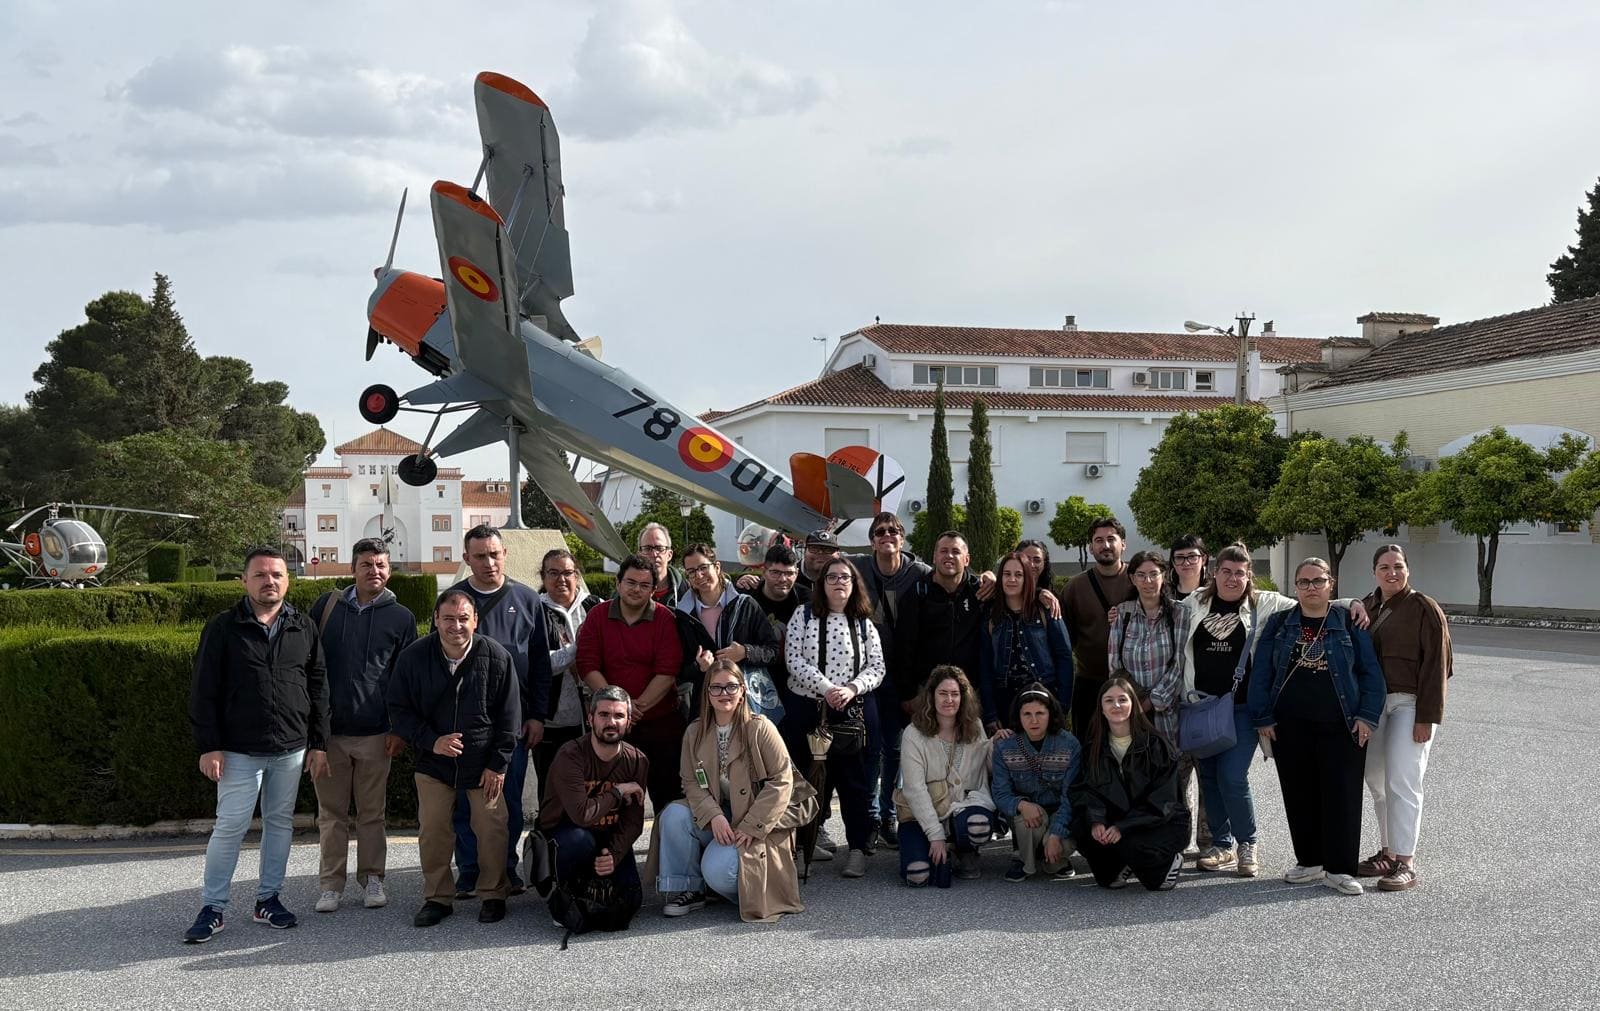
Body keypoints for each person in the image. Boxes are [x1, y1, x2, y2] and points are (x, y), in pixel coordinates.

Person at [1181, 542, 1369, 877]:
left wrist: (1352, 602)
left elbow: (1310, 600)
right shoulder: (1194, 603)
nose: (1233, 578)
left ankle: (1247, 842)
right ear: (1215, 573)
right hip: (1200, 707)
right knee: (1209, 775)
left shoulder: (1264, 603)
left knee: (1232, 775)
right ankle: (1222, 845)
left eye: (1240, 573)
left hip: (1239, 708)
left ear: (1249, 575)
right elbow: (1157, 609)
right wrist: (1120, 611)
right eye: (1226, 571)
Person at [184, 547, 330, 943]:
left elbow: (317, 687)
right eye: (261, 575)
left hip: (291, 748)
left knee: (279, 824)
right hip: (237, 750)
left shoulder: (303, 626)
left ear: (288, 580)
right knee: (230, 827)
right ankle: (213, 907)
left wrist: (319, 743)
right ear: (245, 581)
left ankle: (268, 899)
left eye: (278, 575)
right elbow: (204, 690)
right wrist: (209, 745)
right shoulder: (223, 627)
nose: (270, 582)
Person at [1249, 558, 1386, 896]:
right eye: (1304, 582)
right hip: (1290, 725)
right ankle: (1309, 861)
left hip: (1342, 724)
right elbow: (1261, 673)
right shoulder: (1280, 624)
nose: (1311, 587)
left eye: (1318, 581)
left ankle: (1339, 869)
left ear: (1331, 584)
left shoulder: (1349, 622)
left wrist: (1367, 716)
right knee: (1299, 794)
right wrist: (1263, 716)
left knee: (1342, 796)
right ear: (1295, 587)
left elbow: (1371, 673)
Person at [388, 589, 519, 927]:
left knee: (491, 828)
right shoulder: (413, 657)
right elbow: (399, 710)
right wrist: (432, 741)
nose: (456, 626)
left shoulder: (497, 656)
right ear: (435, 620)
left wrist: (498, 764)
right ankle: (437, 897)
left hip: (484, 763)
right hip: (433, 763)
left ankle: (492, 893)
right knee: (433, 831)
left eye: (463, 619)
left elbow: (510, 717)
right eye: (448, 619)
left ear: (475, 621)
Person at [310, 537, 418, 914]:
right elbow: (308, 669)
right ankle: (331, 885)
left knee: (373, 814)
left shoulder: (401, 617)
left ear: (389, 570)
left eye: (381, 565)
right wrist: (314, 736)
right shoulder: (326, 607)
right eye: (367, 564)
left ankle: (373, 879)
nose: (375, 571)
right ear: (353, 568)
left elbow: (407, 679)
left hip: (377, 733)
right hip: (331, 734)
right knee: (331, 815)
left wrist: (399, 729)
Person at [446, 524, 553, 900]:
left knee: (506, 802)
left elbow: (540, 663)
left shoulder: (527, 600)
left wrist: (538, 715)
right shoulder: (452, 601)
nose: (488, 562)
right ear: (466, 559)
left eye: (494, 554)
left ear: (505, 553)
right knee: (465, 803)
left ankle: (506, 869)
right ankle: (470, 871)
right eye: (479, 556)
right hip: (464, 726)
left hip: (514, 725)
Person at [651, 660, 803, 922]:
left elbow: (782, 780)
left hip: (756, 819)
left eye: (731, 686)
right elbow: (690, 781)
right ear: (707, 693)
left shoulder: (760, 727)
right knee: (673, 814)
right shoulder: (694, 732)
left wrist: (751, 825)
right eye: (717, 688)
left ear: (743, 690)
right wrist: (714, 815)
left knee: (720, 872)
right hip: (721, 817)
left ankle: (723, 883)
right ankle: (690, 889)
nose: (724, 694)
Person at [1357, 544, 1451, 892]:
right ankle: (1386, 851)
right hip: (1374, 705)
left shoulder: (1423, 608)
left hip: (1409, 703)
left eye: (1398, 566)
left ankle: (1405, 861)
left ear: (1408, 569)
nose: (1391, 573)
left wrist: (1427, 716)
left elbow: (1438, 666)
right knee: (1376, 780)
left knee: (1404, 780)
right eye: (1384, 567)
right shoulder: (1367, 605)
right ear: (1374, 571)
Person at [786, 556, 886, 879]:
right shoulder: (802, 616)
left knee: (853, 781)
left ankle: (856, 848)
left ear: (854, 584)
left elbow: (877, 667)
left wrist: (853, 688)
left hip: (848, 711)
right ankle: (803, 846)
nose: (839, 582)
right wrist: (828, 688)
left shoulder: (863, 623)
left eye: (845, 577)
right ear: (822, 583)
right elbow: (793, 658)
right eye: (832, 577)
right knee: (807, 780)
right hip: (808, 709)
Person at [845, 512, 931, 850]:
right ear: (871, 540)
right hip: (865, 674)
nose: (887, 536)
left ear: (902, 538)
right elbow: (816, 567)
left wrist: (987, 576)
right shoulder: (858, 568)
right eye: (880, 532)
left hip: (903, 674)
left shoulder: (920, 573)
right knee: (869, 747)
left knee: (895, 749)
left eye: (893, 531)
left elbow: (959, 579)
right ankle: (868, 818)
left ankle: (889, 813)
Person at [576, 554, 686, 813]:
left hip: (660, 724)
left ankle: (664, 853)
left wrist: (635, 709)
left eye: (644, 585)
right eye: (631, 582)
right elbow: (587, 665)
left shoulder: (665, 619)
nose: (637, 589)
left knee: (668, 800)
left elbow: (668, 671)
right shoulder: (598, 615)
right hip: (612, 725)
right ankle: (614, 854)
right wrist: (619, 708)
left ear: (653, 589)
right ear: (618, 583)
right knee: (614, 802)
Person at [749, 543, 832, 862]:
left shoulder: (808, 600)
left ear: (797, 573)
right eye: (775, 572)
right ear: (763, 571)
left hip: (799, 693)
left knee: (801, 762)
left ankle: (807, 830)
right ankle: (771, 832)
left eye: (788, 572)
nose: (782, 579)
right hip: (760, 692)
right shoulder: (750, 599)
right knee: (765, 764)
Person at [1072, 677, 1188, 890]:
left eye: (1122, 699)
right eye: (1109, 701)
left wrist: (1122, 827)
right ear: (1102, 709)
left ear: (1133, 705)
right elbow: (1086, 791)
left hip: (1159, 822)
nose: (1116, 705)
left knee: (1154, 882)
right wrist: (1097, 821)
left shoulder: (1156, 744)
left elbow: (1164, 801)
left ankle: (1170, 861)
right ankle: (1121, 863)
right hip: (1116, 820)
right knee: (1084, 832)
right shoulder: (1093, 748)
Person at [539, 686, 649, 908]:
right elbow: (582, 815)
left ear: (629, 722)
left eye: (619, 716)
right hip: (568, 835)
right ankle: (564, 890)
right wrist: (617, 791)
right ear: (590, 719)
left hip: (608, 837)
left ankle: (597, 877)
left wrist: (614, 855)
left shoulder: (637, 760)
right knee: (580, 840)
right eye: (604, 715)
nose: (611, 722)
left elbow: (634, 821)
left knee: (631, 901)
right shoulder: (570, 756)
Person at [895, 666, 994, 886]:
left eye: (955, 694)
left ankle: (964, 851)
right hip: (920, 817)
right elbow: (914, 789)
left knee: (978, 825)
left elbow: (986, 769)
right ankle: (931, 847)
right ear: (931, 696)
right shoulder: (913, 733)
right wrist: (935, 834)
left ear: (963, 697)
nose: (949, 699)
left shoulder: (974, 726)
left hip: (960, 809)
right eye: (943, 693)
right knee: (917, 875)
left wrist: (999, 744)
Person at [675, 543, 782, 721]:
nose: (699, 576)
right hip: (706, 708)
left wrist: (745, 652)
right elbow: (679, 669)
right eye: (691, 572)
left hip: (745, 703)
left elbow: (773, 651)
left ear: (717, 567)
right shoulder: (683, 615)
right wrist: (699, 667)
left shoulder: (745, 604)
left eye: (703, 568)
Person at [990, 684, 1081, 882]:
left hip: (1059, 810)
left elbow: (1071, 796)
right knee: (1028, 820)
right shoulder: (1005, 746)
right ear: (1018, 716)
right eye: (1027, 714)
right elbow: (1000, 794)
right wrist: (1021, 805)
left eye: (1040, 713)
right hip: (1030, 812)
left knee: (1061, 841)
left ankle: (1056, 859)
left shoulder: (1070, 745)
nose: (1033, 720)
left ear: (1051, 714)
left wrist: (1056, 834)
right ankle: (1025, 860)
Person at [979, 552, 1073, 733]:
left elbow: (1064, 658)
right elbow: (985, 668)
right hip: (1006, 703)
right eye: (1007, 574)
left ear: (1027, 578)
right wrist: (990, 714)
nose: (1012, 579)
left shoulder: (1045, 610)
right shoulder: (991, 616)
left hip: (1043, 698)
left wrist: (1061, 706)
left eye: (1018, 574)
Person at [536, 548, 604, 798]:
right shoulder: (534, 611)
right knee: (553, 790)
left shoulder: (595, 605)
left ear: (577, 575)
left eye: (567, 572)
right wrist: (579, 648)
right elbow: (541, 664)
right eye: (553, 573)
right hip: (553, 720)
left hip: (595, 718)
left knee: (593, 788)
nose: (561, 579)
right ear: (543, 577)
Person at [1061, 516, 1135, 738]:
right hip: (1089, 682)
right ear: (1091, 548)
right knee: (1087, 746)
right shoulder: (1075, 588)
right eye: (1099, 540)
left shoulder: (1140, 580)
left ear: (1123, 543)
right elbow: (1066, 640)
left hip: (1133, 683)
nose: (1105, 545)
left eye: (1111, 539)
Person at [1106, 551, 1181, 744]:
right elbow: (1115, 665)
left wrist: (1152, 701)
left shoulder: (1179, 613)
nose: (1148, 581)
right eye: (1141, 575)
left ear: (1163, 575)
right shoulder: (1122, 613)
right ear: (1132, 578)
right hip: (1130, 712)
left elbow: (1180, 664)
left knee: (1169, 767)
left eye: (1154, 574)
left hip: (1168, 714)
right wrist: (1130, 701)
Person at [637, 521, 688, 605]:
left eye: (659, 548)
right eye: (647, 548)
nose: (654, 554)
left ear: (669, 555)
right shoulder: (627, 591)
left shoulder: (685, 591)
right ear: (639, 554)